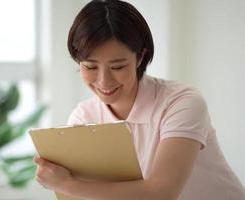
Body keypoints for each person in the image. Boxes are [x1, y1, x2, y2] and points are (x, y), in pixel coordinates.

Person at [33, 0, 245, 199]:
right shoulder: (83, 117)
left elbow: (162, 193)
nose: (104, 81)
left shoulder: (181, 102)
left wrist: (67, 185)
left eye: (118, 67)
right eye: (90, 67)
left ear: (140, 57)